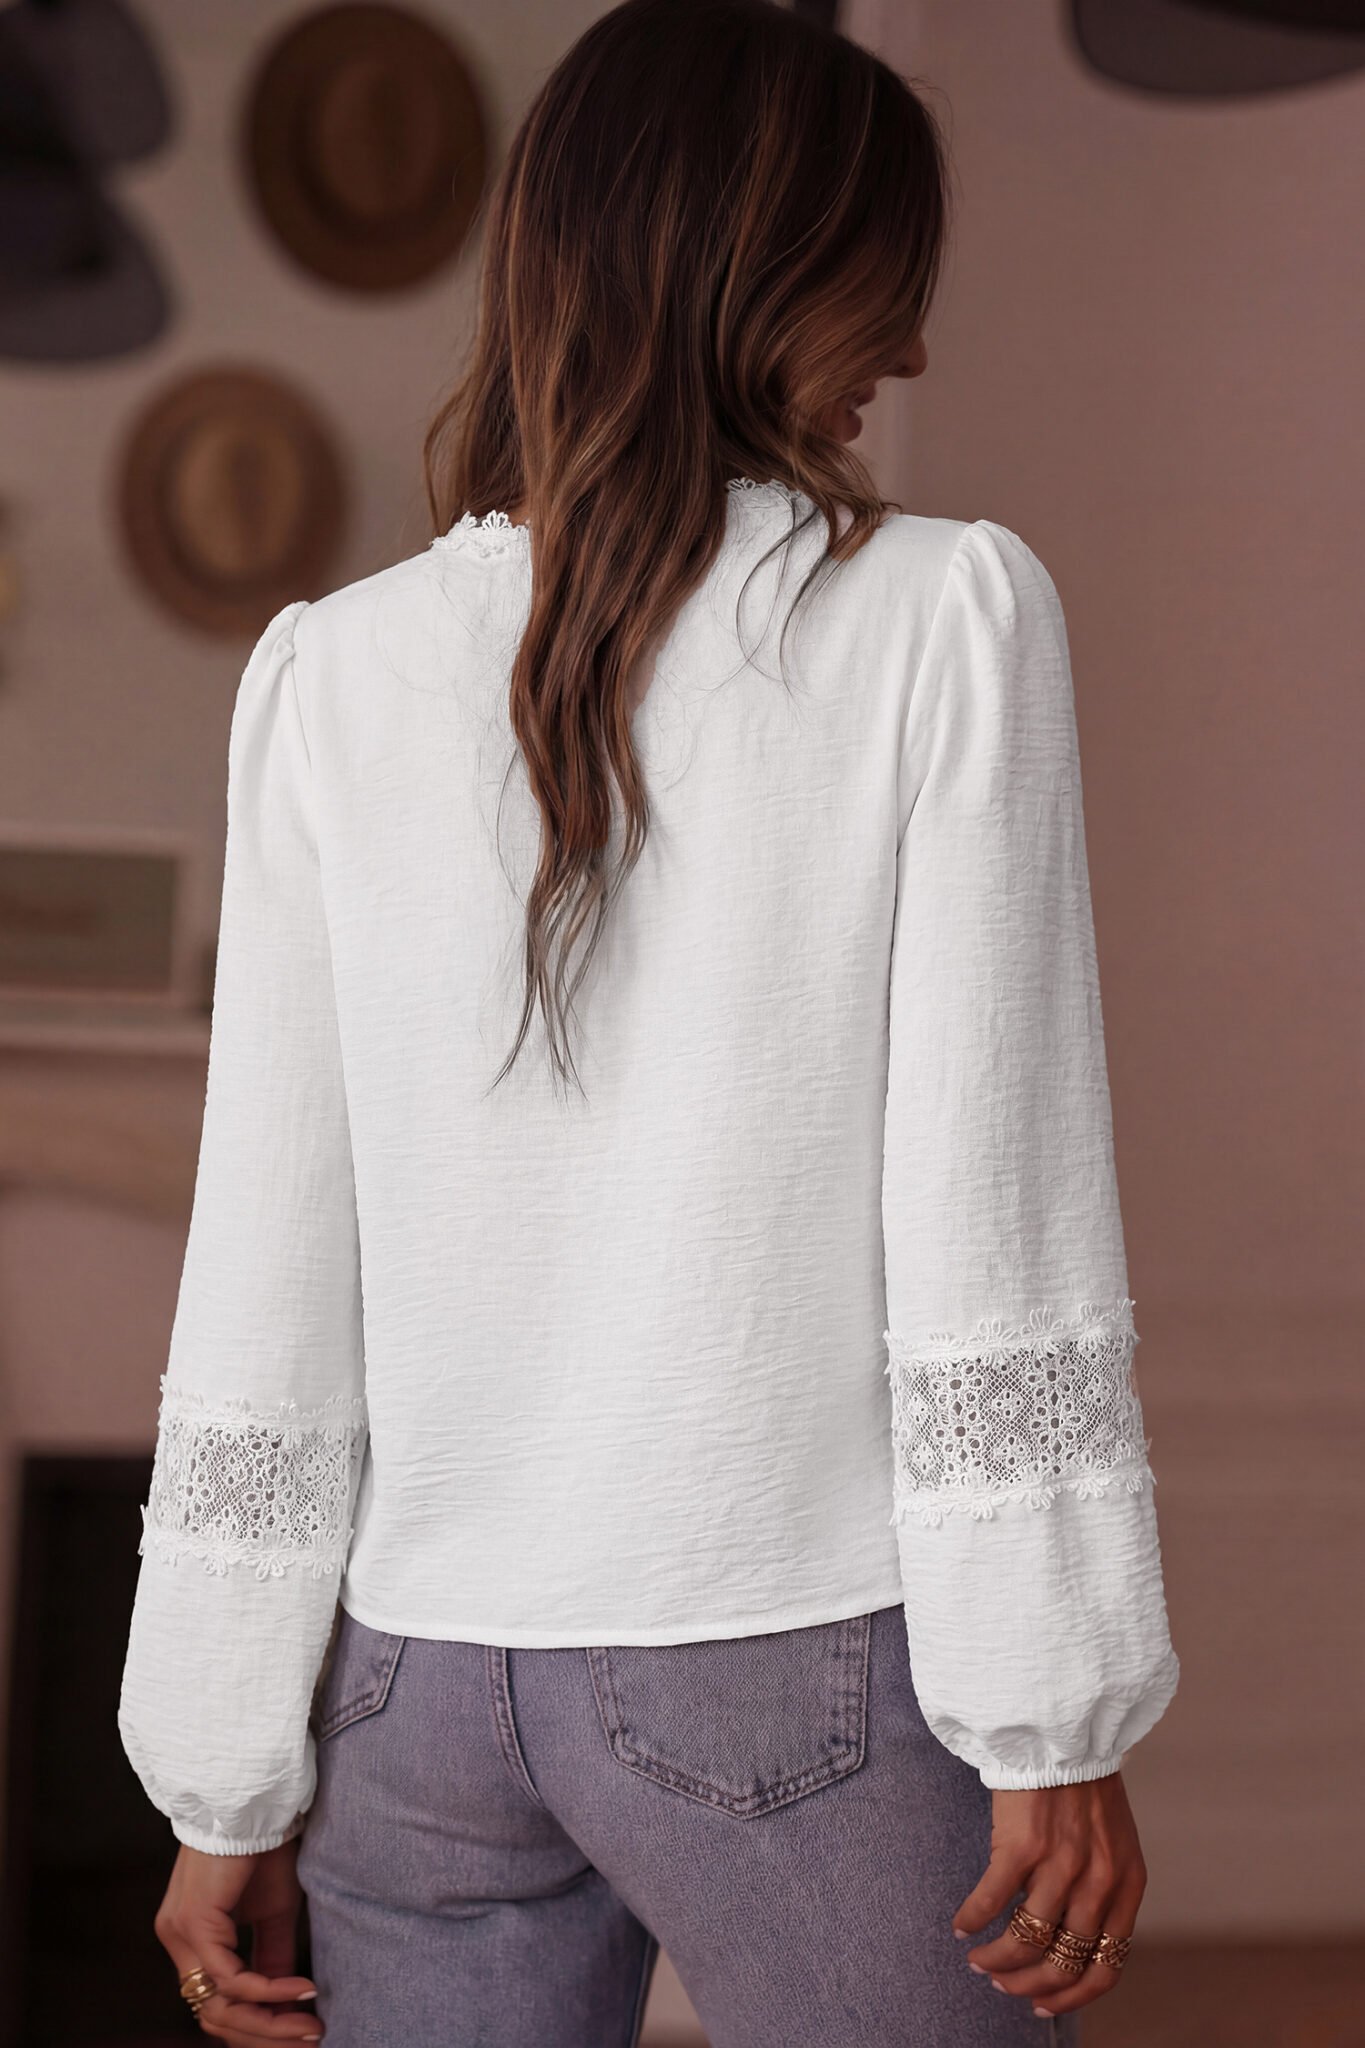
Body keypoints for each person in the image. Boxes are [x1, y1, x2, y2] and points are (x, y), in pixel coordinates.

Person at [116, 2, 1180, 2043]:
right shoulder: (944, 615)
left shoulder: (327, 672)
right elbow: (992, 1192)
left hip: (408, 1699)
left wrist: (219, 1764)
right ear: (759, 272)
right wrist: (1049, 1701)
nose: (909, 351)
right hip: (786, 1654)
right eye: (880, 282)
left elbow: (265, 1253)